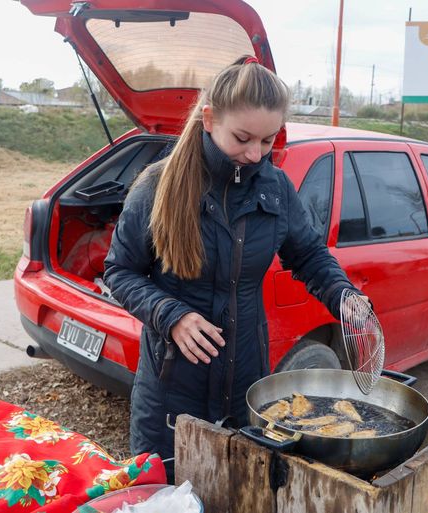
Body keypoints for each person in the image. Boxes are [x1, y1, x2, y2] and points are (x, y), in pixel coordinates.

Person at [103, 56, 368, 479]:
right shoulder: (158, 185)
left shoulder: (276, 187)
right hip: (172, 391)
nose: (255, 153)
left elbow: (309, 255)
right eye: (243, 138)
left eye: (267, 141)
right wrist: (171, 315)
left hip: (247, 378)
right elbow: (119, 272)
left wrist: (344, 296)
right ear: (209, 119)